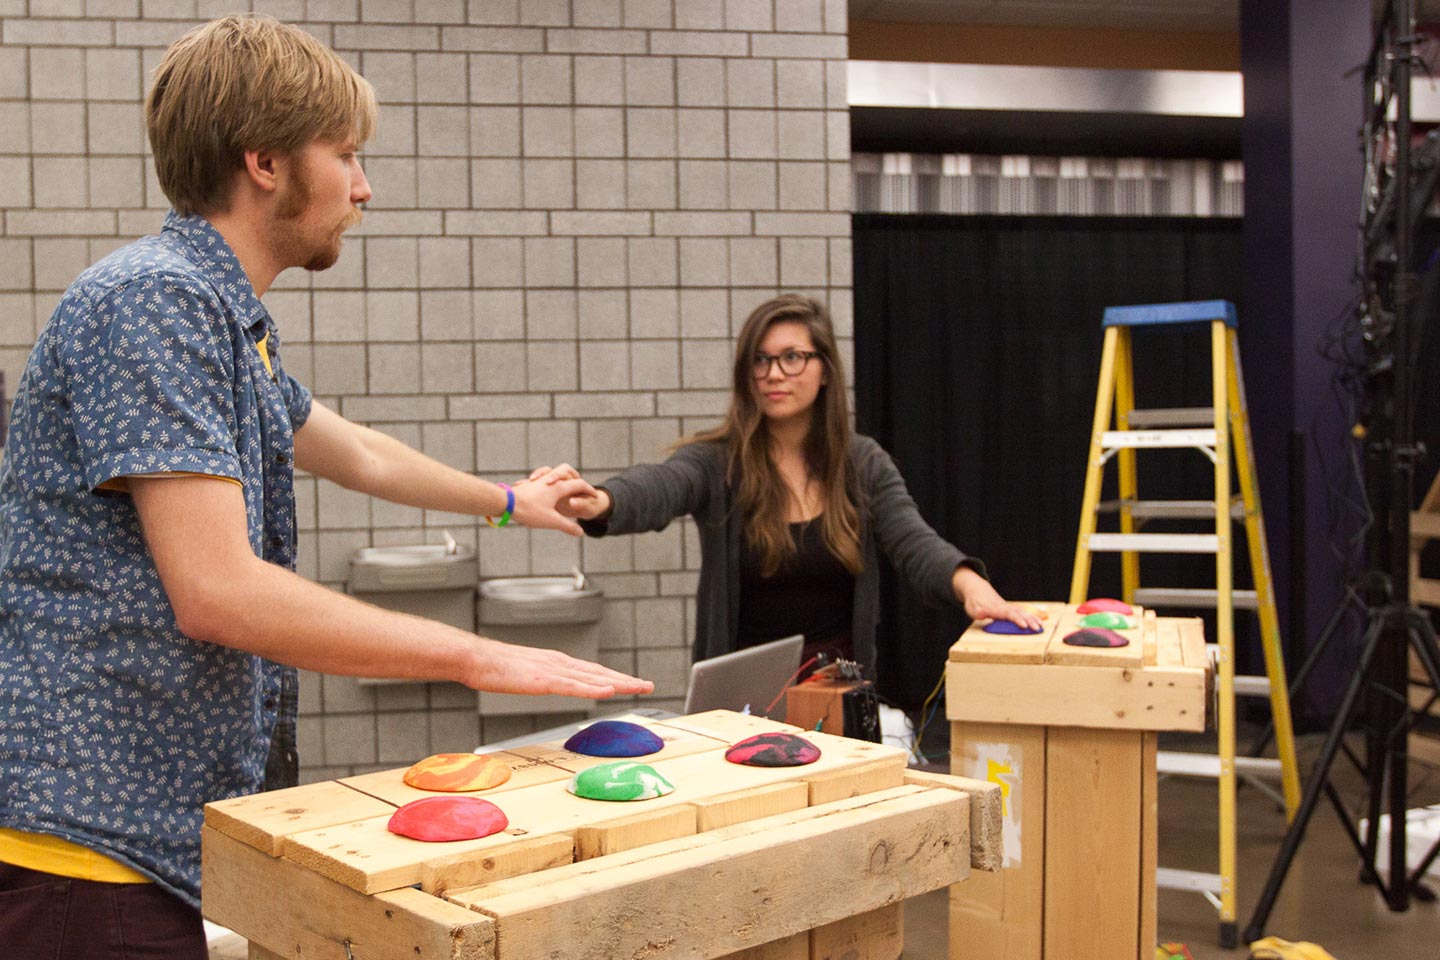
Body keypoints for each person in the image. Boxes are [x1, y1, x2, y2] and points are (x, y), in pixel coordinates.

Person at [0, 15, 649, 960]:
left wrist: (510, 501)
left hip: (150, 844)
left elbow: (359, 453)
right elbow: (217, 590)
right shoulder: (153, 301)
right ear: (264, 161)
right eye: (344, 154)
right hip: (88, 854)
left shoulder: (225, 314)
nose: (362, 186)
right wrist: (472, 654)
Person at [535, 293, 1040, 676]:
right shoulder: (718, 463)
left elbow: (913, 542)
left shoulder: (862, 463)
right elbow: (661, 485)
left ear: (824, 371)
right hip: (742, 703)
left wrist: (970, 584)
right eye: (760, 359)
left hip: (839, 690)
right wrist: (602, 500)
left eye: (792, 357)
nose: (774, 373)